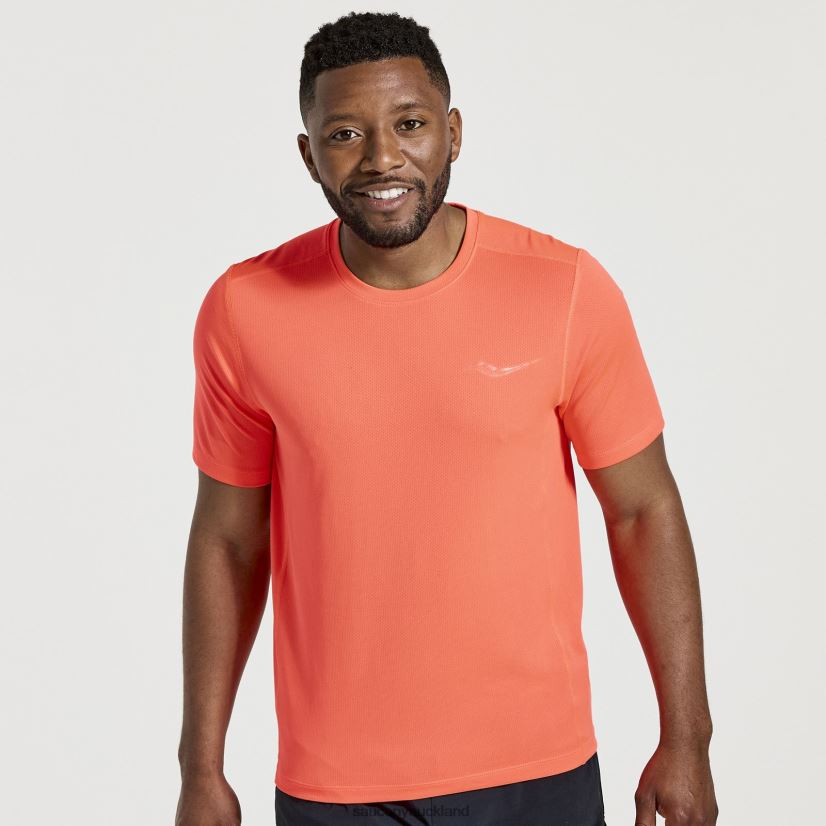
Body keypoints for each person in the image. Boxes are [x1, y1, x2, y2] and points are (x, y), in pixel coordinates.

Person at [175, 11, 718, 826]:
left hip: (536, 771)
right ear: (308, 154)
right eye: (345, 133)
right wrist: (201, 767)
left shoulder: (563, 290)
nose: (381, 158)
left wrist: (688, 739)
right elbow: (227, 541)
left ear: (453, 133)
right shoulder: (245, 309)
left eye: (410, 124)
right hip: (335, 787)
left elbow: (643, 510)